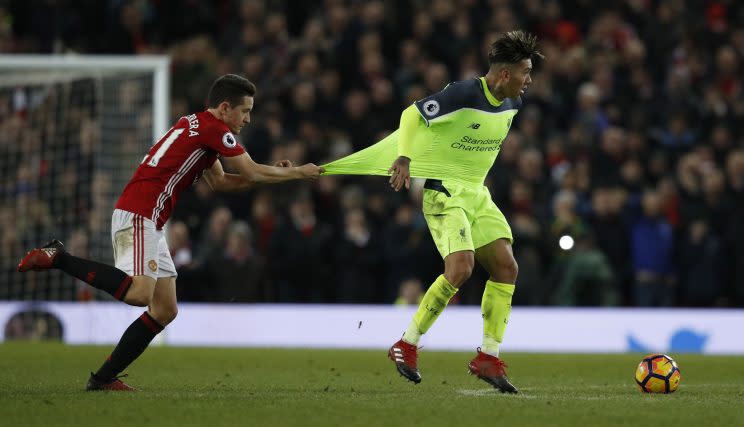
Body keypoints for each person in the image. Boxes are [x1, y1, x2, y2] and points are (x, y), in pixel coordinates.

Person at [17, 74, 323, 391]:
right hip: (140, 213)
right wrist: (299, 173)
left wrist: (277, 173)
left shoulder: (198, 125)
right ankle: (59, 257)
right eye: (244, 111)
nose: (247, 119)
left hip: (149, 217)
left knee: (164, 309)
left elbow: (221, 182)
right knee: (139, 294)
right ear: (225, 107)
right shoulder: (215, 129)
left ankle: (102, 379)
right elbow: (251, 171)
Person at [385, 31, 543, 393]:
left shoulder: (513, 104)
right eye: (525, 71)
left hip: (477, 193)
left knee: (507, 266)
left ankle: (488, 356)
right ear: (504, 74)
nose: (530, 80)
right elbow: (412, 114)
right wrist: (406, 157)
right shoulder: (464, 93)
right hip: (444, 191)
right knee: (461, 267)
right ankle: (406, 344)